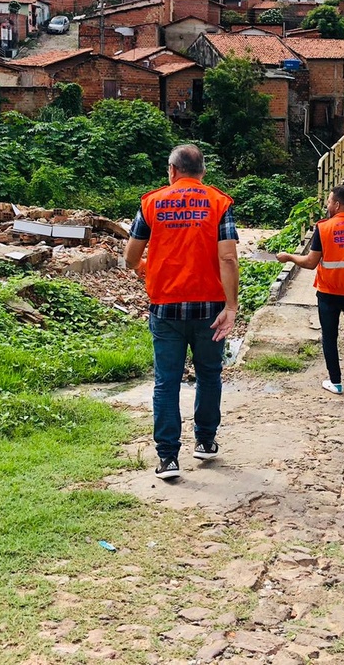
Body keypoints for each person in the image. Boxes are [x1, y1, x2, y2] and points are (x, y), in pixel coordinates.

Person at [124, 144, 240, 480]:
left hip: (166, 308)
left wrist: (142, 267)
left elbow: (131, 255)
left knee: (167, 381)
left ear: (172, 171)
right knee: (208, 374)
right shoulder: (219, 203)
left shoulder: (152, 203)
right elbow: (229, 258)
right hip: (210, 309)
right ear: (203, 173)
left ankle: (168, 459)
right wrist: (231, 307)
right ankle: (204, 441)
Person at [277, 185, 344, 403]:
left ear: (337, 205)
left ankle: (336, 381)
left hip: (328, 293)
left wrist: (290, 257)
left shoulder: (324, 229)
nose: (327, 205)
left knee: (330, 337)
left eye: (329, 202)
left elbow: (311, 262)